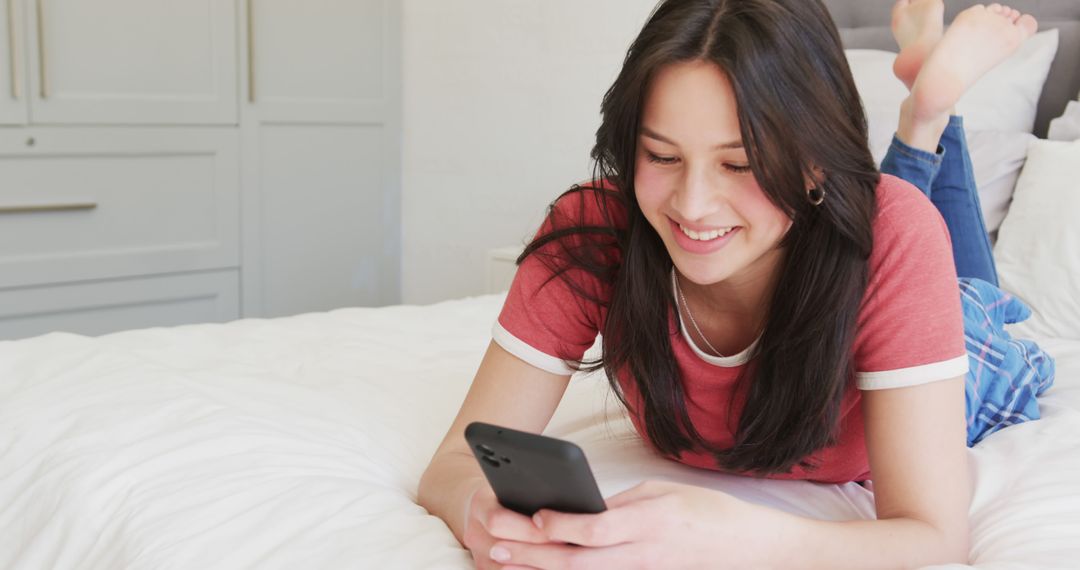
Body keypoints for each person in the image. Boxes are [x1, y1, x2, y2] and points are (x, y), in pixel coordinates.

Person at [417, 1, 1053, 568]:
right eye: (661, 156)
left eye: (739, 163)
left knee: (961, 276)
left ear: (814, 163)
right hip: (865, 244)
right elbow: (450, 466)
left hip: (960, 343)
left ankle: (931, 115)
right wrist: (480, 510)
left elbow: (934, 540)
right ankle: (923, 114)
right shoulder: (592, 230)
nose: (692, 206)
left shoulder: (897, 236)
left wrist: (735, 540)